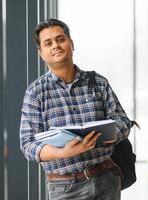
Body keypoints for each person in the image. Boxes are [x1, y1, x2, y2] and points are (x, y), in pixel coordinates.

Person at [19, 18, 132, 200]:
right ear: (41, 53)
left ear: (71, 43)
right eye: (48, 43)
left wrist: (108, 136)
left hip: (107, 179)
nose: (56, 45)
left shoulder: (98, 82)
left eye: (60, 39)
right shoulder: (35, 92)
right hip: (65, 188)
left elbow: (122, 121)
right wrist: (64, 152)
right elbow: (28, 144)